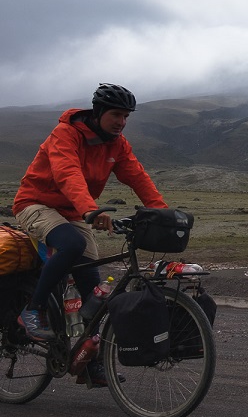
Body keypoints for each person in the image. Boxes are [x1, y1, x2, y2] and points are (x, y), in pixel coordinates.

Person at [12, 83, 167, 386]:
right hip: (36, 203)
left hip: (74, 212)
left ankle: (88, 364)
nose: (121, 122)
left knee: (92, 294)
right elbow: (67, 173)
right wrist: (90, 210)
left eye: (126, 116)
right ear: (98, 113)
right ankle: (32, 311)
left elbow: (137, 176)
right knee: (72, 243)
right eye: (116, 115)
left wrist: (161, 212)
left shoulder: (117, 144)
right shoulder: (65, 134)